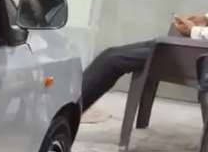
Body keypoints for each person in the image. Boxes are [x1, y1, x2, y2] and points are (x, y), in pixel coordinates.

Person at [80, 14, 208, 112]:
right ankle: (70, 108)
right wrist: (203, 18)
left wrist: (194, 30)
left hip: (196, 56)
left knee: (112, 60)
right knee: (109, 54)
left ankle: (69, 111)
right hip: (190, 47)